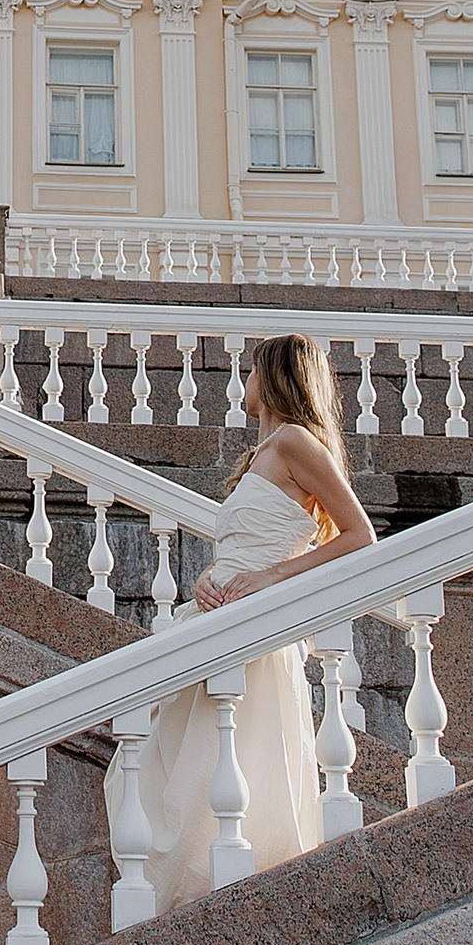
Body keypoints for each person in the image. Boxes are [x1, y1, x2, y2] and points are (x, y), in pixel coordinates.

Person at [132, 330, 376, 910]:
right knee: (181, 762)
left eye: (251, 371)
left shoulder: (295, 441)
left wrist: (272, 579)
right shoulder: (263, 454)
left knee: (220, 767)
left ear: (274, 379)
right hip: (217, 613)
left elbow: (360, 536)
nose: (243, 383)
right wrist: (205, 580)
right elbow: (244, 547)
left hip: (252, 627)